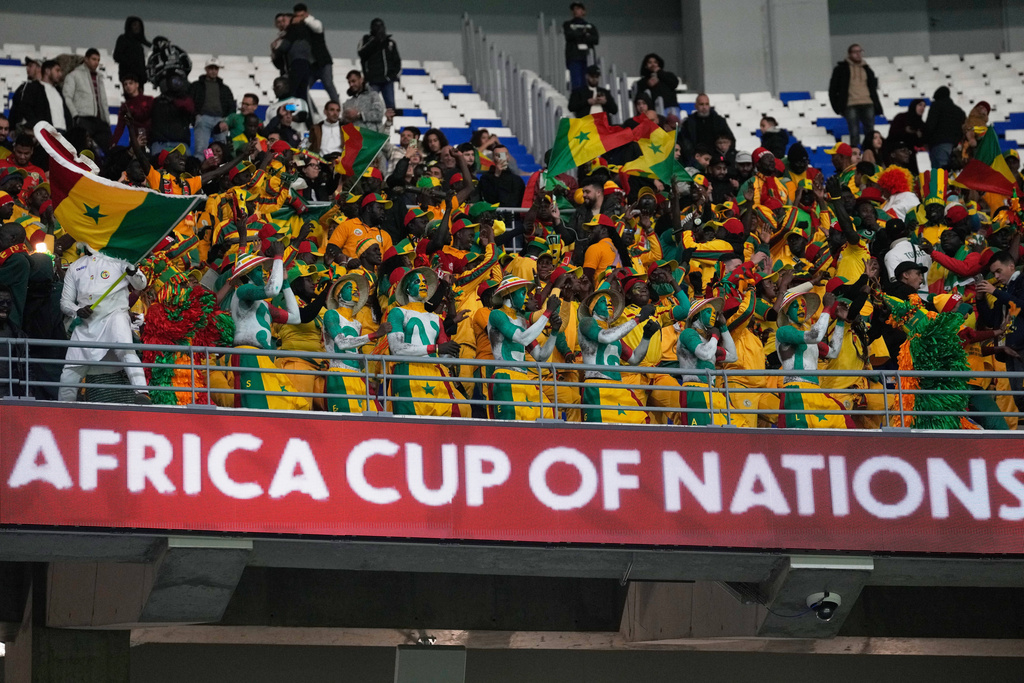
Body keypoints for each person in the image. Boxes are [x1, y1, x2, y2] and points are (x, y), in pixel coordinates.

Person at [58, 246, 150, 403]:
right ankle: (64, 409)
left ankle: (142, 392)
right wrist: (77, 310)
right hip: (86, 324)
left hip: (114, 316)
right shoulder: (75, 266)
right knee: (70, 371)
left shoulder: (119, 261)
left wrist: (133, 272)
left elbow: (141, 285)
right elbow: (65, 302)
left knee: (126, 350)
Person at [386, 266, 465, 417]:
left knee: (457, 413)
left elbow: (445, 360)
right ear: (407, 289)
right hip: (408, 371)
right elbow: (397, 349)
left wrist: (451, 353)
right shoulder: (398, 313)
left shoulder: (436, 318)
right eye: (417, 281)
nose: (423, 284)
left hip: (436, 372)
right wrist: (436, 349)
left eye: (424, 282)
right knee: (412, 423)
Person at [486, 275, 561, 420]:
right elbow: (522, 338)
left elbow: (541, 357)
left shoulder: (522, 321)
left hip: (524, 378)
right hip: (505, 375)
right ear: (509, 293)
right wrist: (547, 312)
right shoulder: (496, 315)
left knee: (548, 414)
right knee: (510, 425)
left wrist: (554, 332)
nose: (526, 298)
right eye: (522, 293)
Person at [577, 289, 657, 424]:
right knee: (600, 430)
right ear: (593, 309)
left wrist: (646, 337)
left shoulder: (615, 335)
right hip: (597, 385)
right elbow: (604, 337)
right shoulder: (586, 322)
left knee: (640, 421)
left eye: (610, 302)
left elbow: (635, 359)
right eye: (603, 301)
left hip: (619, 386)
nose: (608, 304)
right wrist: (637, 319)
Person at [775, 285, 847, 428]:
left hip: (815, 389)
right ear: (786, 312)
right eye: (796, 306)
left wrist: (840, 321)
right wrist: (827, 308)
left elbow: (833, 352)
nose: (801, 309)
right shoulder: (784, 331)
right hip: (795, 388)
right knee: (799, 434)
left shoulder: (808, 335)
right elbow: (815, 336)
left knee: (842, 421)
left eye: (803, 305)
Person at [322, 273, 390, 412]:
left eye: (356, 288)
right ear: (339, 294)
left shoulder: (357, 324)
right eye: (349, 287)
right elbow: (342, 344)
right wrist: (374, 335)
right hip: (339, 373)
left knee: (373, 416)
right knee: (347, 420)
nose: (355, 290)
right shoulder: (331, 315)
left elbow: (355, 352)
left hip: (359, 376)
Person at [828, 43, 883, 149]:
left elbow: (873, 87)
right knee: (854, 133)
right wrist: (837, 107)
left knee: (870, 133)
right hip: (850, 104)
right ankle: (855, 156)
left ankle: (870, 155)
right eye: (855, 52)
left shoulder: (867, 68)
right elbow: (833, 89)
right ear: (849, 54)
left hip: (868, 103)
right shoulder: (841, 69)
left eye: (860, 51)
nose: (858, 54)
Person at [190, 60, 235, 159]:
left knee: (221, 150)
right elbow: (190, 103)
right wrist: (196, 116)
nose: (213, 71)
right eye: (211, 68)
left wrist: (226, 120)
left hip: (220, 120)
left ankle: (219, 172)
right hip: (203, 119)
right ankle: (201, 171)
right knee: (201, 149)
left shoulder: (225, 88)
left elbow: (231, 105)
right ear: (206, 69)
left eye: (215, 68)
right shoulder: (196, 86)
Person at [294, 3, 339, 102]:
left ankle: (337, 107)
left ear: (307, 13)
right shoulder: (298, 27)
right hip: (311, 65)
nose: (300, 18)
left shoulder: (314, 22)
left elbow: (317, 28)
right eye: (298, 16)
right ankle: (302, 109)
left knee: (328, 85)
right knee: (304, 88)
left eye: (302, 15)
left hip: (323, 62)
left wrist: (305, 19)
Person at [357, 18, 402, 111]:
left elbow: (397, 61)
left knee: (391, 107)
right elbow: (361, 53)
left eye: (381, 26)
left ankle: (391, 124)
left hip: (387, 80)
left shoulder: (390, 43)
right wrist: (376, 40)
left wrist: (392, 76)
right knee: (370, 107)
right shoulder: (365, 40)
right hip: (372, 81)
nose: (379, 28)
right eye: (376, 26)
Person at [16, 60, 71, 133]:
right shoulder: (33, 87)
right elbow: (26, 108)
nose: (60, 74)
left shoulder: (59, 90)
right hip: (45, 132)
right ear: (47, 71)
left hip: (63, 132)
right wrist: (38, 126)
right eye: (57, 70)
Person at [679, 94, 733, 163]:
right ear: (696, 106)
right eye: (701, 104)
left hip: (716, 158)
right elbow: (685, 142)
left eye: (706, 104)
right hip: (695, 158)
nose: (704, 107)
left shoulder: (719, 121)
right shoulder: (688, 123)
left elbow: (730, 139)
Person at [274, 12, 316, 98]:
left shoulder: (294, 31)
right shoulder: (285, 37)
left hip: (297, 64)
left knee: (292, 92)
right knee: (300, 93)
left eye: (284, 21)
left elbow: (283, 48)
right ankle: (298, 110)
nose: (282, 24)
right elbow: (279, 63)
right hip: (294, 67)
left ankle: (290, 110)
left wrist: (276, 49)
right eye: (279, 22)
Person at [925, 86, 965, 170]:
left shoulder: (936, 106)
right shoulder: (959, 111)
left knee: (939, 175)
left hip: (939, 145)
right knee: (952, 174)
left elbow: (930, 126)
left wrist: (925, 141)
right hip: (956, 146)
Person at [109, 74, 154, 148]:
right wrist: (113, 144)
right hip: (136, 142)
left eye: (130, 83)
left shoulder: (149, 100)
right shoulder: (125, 106)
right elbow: (120, 127)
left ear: (137, 84)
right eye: (125, 84)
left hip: (152, 139)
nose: (128, 86)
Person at [563, 2, 599, 91]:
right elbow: (569, 35)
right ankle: (578, 102)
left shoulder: (590, 26)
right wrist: (585, 34)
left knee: (588, 84)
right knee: (577, 83)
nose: (575, 11)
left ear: (584, 11)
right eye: (574, 9)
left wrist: (579, 35)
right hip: (574, 57)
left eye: (578, 9)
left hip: (588, 58)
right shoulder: (568, 24)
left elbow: (595, 39)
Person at [636, 53, 680, 117]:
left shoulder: (667, 75)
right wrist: (648, 84)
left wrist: (660, 73)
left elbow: (674, 83)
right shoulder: (643, 81)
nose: (653, 64)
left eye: (655, 62)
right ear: (646, 65)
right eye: (650, 62)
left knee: (676, 126)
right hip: (654, 110)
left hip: (671, 108)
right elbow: (640, 95)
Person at [8, 58, 41, 135]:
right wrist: (12, 128)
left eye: (30, 66)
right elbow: (15, 108)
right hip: (23, 130)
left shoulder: (47, 89)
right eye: (27, 66)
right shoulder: (22, 88)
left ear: (39, 68)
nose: (27, 68)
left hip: (40, 131)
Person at [113, 16, 150, 82]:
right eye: (134, 25)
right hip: (128, 77)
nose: (137, 27)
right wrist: (131, 62)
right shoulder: (123, 39)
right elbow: (117, 56)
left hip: (140, 78)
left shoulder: (139, 42)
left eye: (139, 25)